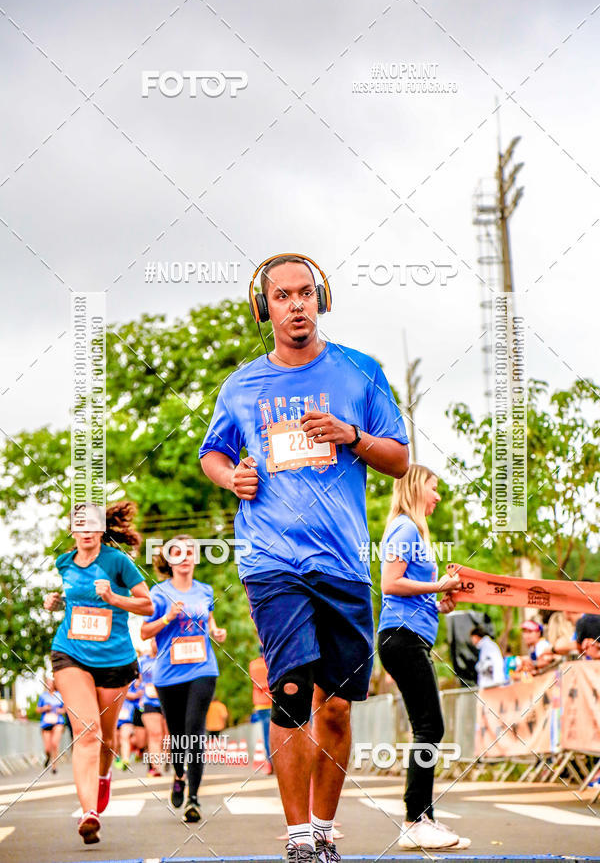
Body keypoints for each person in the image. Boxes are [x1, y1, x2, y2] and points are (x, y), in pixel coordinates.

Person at [199, 253, 410, 863]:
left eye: (306, 293)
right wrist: (230, 478)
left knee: (338, 706)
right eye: (283, 296)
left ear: (321, 299)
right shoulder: (241, 386)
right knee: (289, 685)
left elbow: (398, 458)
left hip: (342, 560)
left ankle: (322, 824)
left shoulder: (359, 372)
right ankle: (296, 837)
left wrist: (352, 436)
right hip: (271, 557)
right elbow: (213, 454)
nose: (297, 305)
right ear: (264, 308)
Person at [43, 501, 153, 846]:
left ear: (102, 529)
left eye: (93, 525)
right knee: (86, 730)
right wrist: (58, 601)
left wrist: (115, 598)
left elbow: (148, 604)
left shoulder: (117, 561)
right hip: (70, 653)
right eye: (80, 525)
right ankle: (89, 813)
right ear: (72, 530)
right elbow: (77, 599)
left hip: (115, 660)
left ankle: (104, 776)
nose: (87, 531)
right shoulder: (64, 562)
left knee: (105, 737)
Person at [377, 464, 471, 851]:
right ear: (417, 488)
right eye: (434, 489)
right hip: (402, 639)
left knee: (428, 727)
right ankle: (416, 820)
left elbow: (409, 592)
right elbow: (390, 583)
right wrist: (438, 584)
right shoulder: (405, 528)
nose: (437, 497)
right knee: (429, 728)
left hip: (408, 636)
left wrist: (439, 602)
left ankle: (421, 817)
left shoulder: (411, 531)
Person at [140, 534, 227, 823]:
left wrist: (216, 632)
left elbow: (210, 619)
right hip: (167, 672)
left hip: (203, 668)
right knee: (177, 735)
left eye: (190, 551)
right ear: (169, 560)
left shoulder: (205, 590)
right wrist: (168, 618)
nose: (186, 556)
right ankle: (178, 775)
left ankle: (194, 798)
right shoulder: (158, 593)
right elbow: (144, 632)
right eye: (178, 552)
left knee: (194, 730)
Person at [139, 640, 166, 777]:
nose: (156, 643)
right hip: (149, 701)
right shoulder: (143, 661)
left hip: (167, 699)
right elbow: (135, 679)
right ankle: (155, 767)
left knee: (167, 736)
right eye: (153, 640)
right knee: (155, 734)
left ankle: (169, 759)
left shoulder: (168, 656)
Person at [249, 651, 273, 774]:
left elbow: (254, 681)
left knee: (266, 735)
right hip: (274, 701)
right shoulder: (270, 662)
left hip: (261, 703)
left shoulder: (253, 665)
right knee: (278, 733)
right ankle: (279, 761)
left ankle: (270, 763)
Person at [37, 676, 65, 773]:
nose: (49, 684)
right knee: (47, 748)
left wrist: (60, 710)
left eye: (51, 682)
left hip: (58, 721)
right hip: (46, 722)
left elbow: (66, 709)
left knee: (55, 744)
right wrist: (44, 708)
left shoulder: (60, 695)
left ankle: (54, 766)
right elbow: (37, 709)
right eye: (47, 683)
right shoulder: (43, 696)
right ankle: (48, 756)